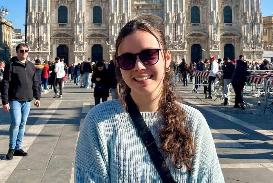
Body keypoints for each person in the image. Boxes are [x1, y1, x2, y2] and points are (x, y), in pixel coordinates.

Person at [74, 15, 224, 182]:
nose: (139, 66)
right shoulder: (98, 123)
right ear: (118, 65)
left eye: (149, 55)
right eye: (127, 59)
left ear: (167, 59)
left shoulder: (193, 123)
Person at [0, 43, 41, 160]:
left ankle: (18, 147)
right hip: (14, 99)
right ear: (17, 52)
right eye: (21, 51)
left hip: (27, 100)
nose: (24, 53)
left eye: (26, 51)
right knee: (16, 123)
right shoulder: (11, 65)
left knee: (23, 124)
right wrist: (5, 101)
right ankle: (11, 148)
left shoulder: (31, 66)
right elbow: (5, 83)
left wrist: (37, 97)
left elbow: (36, 83)